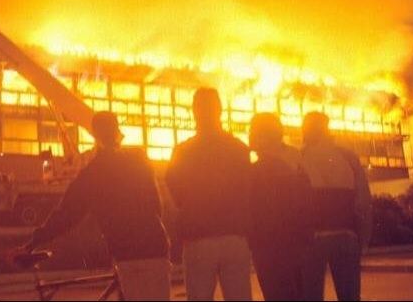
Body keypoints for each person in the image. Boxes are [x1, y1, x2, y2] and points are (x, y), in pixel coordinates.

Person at [18, 111, 171, 301]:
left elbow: (67, 215)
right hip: (155, 247)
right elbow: (156, 203)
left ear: (96, 135)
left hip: (127, 253)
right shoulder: (139, 159)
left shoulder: (93, 173)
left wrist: (36, 239)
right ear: (118, 132)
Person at [166, 87, 252, 301]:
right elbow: (249, 189)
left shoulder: (183, 151)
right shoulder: (239, 148)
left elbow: (174, 189)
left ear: (194, 111)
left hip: (199, 237)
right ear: (220, 110)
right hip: (235, 236)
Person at [301, 112, 372, 301]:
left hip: (311, 240)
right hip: (346, 237)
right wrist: (363, 239)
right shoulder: (347, 157)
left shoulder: (300, 158)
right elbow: (363, 202)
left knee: (310, 295)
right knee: (349, 296)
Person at [248, 113, 313, 301]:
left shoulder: (258, 171)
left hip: (269, 250)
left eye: (252, 131)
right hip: (293, 248)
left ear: (263, 137)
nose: (249, 136)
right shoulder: (294, 166)